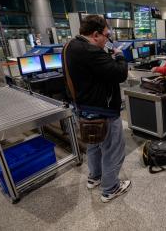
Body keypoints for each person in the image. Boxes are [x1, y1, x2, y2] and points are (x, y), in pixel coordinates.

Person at [62, 15, 131, 203]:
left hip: (83, 109)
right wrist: (119, 56)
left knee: (93, 145)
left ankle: (94, 177)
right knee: (112, 149)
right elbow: (120, 74)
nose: (107, 39)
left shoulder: (69, 47)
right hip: (103, 112)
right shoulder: (91, 51)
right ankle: (110, 188)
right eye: (106, 36)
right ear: (95, 34)